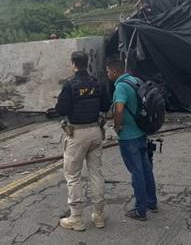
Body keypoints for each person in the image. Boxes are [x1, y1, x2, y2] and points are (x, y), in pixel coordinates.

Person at [55, 51, 110, 231]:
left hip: (77, 134)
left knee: (73, 176)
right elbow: (105, 105)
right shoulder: (98, 83)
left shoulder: (70, 85)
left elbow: (61, 108)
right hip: (95, 131)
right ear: (87, 63)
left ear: (73, 64)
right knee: (96, 173)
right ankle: (99, 216)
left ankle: (76, 218)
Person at [106, 57, 158, 221]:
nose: (107, 75)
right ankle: (151, 202)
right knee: (146, 169)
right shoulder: (135, 80)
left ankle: (140, 210)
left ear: (115, 71)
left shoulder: (120, 86)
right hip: (142, 132)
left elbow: (119, 108)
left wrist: (117, 125)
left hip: (129, 137)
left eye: (108, 72)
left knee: (136, 172)